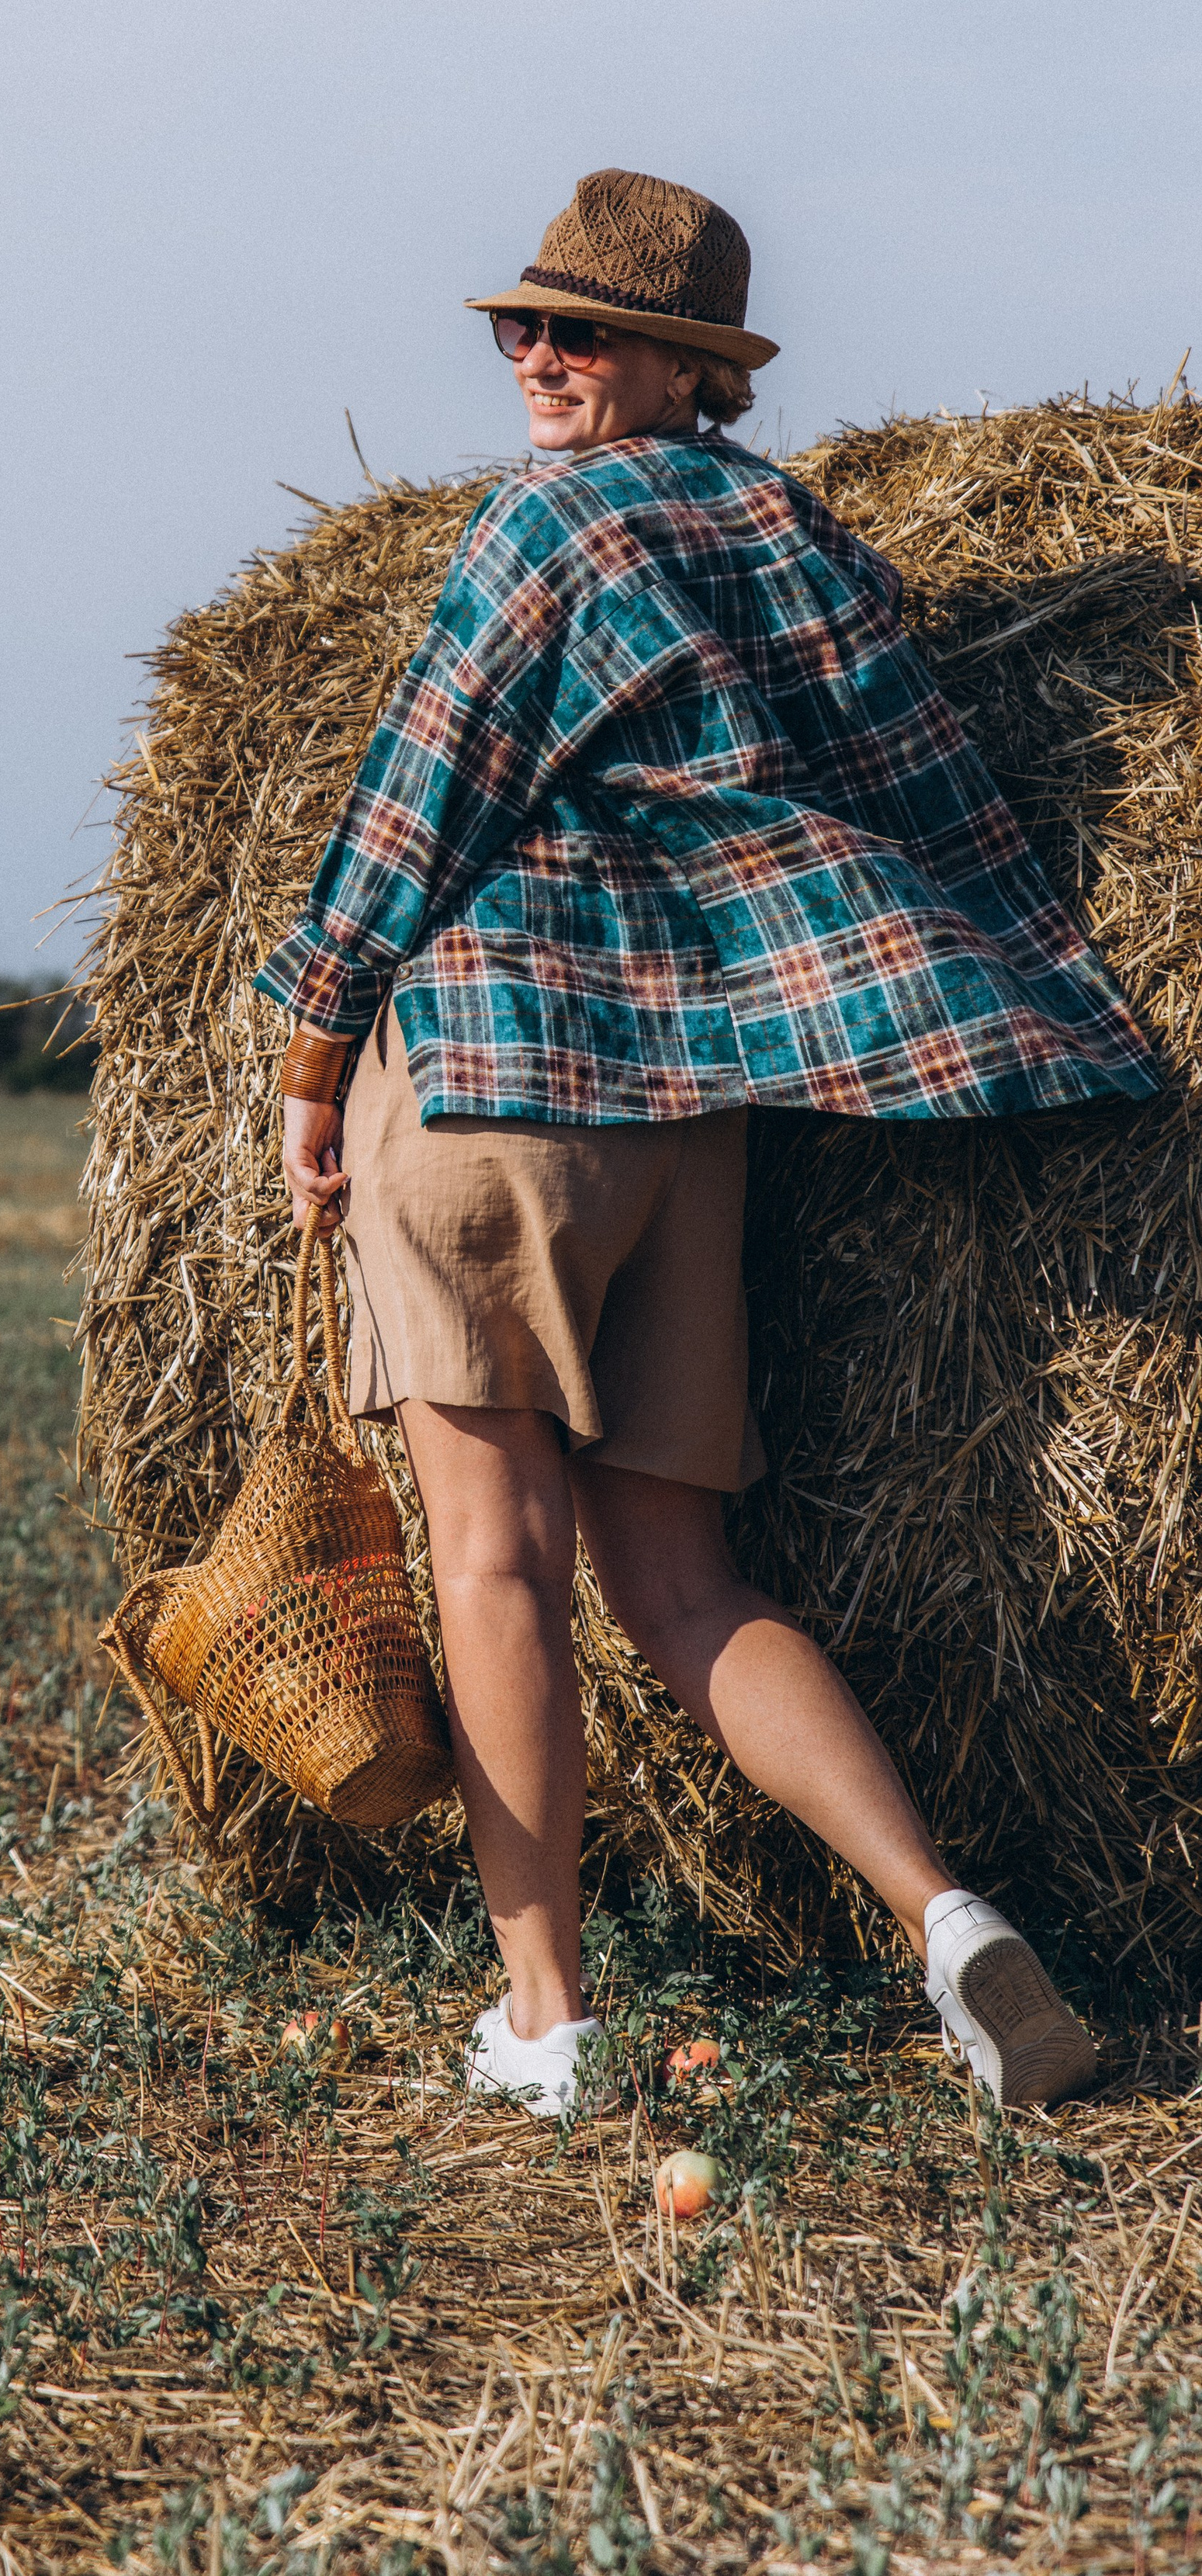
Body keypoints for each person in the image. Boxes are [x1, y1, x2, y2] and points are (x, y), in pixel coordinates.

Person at [257, 167, 1159, 2114]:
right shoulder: (796, 540)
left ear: (686, 366)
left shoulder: (545, 528)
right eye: (519, 327)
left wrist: (311, 1053)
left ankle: (542, 2024)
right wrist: (1044, 996)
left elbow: (418, 797)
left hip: (498, 1078)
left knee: (491, 1561)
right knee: (681, 1578)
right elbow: (936, 796)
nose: (535, 360)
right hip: (692, 1114)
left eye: (578, 334)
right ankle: (945, 1917)